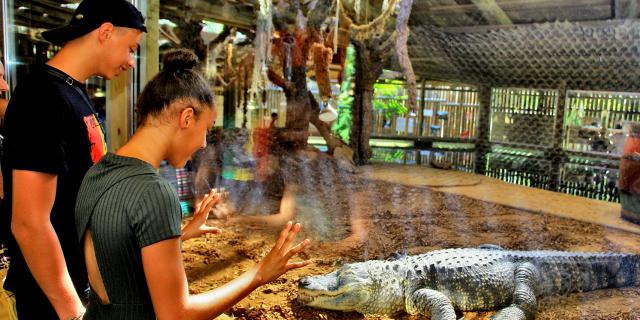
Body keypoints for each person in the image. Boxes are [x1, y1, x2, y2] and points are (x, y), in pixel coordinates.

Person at [75, 49, 311, 319]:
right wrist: (259, 273)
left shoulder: (99, 171)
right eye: (207, 129)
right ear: (186, 118)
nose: (203, 143)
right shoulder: (153, 191)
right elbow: (177, 314)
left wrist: (178, 234)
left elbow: (114, 252)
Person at [1, 0, 147, 318]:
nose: (132, 62)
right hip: (50, 299)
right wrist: (72, 312)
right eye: (132, 48)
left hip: (78, 283)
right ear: (106, 32)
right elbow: (29, 223)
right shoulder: (42, 96)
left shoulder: (72, 92)